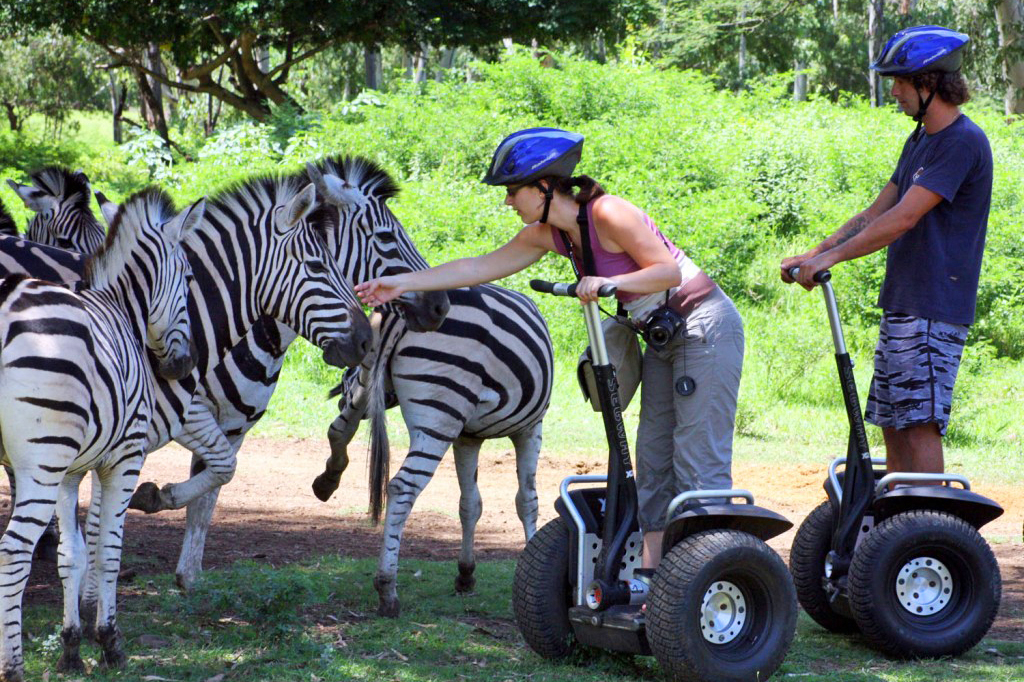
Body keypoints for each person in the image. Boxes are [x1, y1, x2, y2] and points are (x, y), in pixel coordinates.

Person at [355, 128, 744, 569]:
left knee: (696, 457)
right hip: (661, 335)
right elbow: (477, 267)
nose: (507, 202)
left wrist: (608, 283)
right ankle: (654, 577)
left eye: (512, 191)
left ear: (543, 186)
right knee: (652, 458)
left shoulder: (609, 213)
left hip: (704, 326)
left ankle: (710, 571)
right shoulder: (550, 235)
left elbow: (667, 272)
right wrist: (400, 284)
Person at [781, 26, 992, 476]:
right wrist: (814, 252)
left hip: (934, 306)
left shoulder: (961, 142)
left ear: (929, 83)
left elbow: (902, 219)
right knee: (893, 423)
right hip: (904, 303)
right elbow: (878, 210)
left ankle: (928, 530)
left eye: (899, 82)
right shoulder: (920, 140)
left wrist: (829, 260)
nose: (893, 92)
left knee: (919, 423)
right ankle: (897, 532)